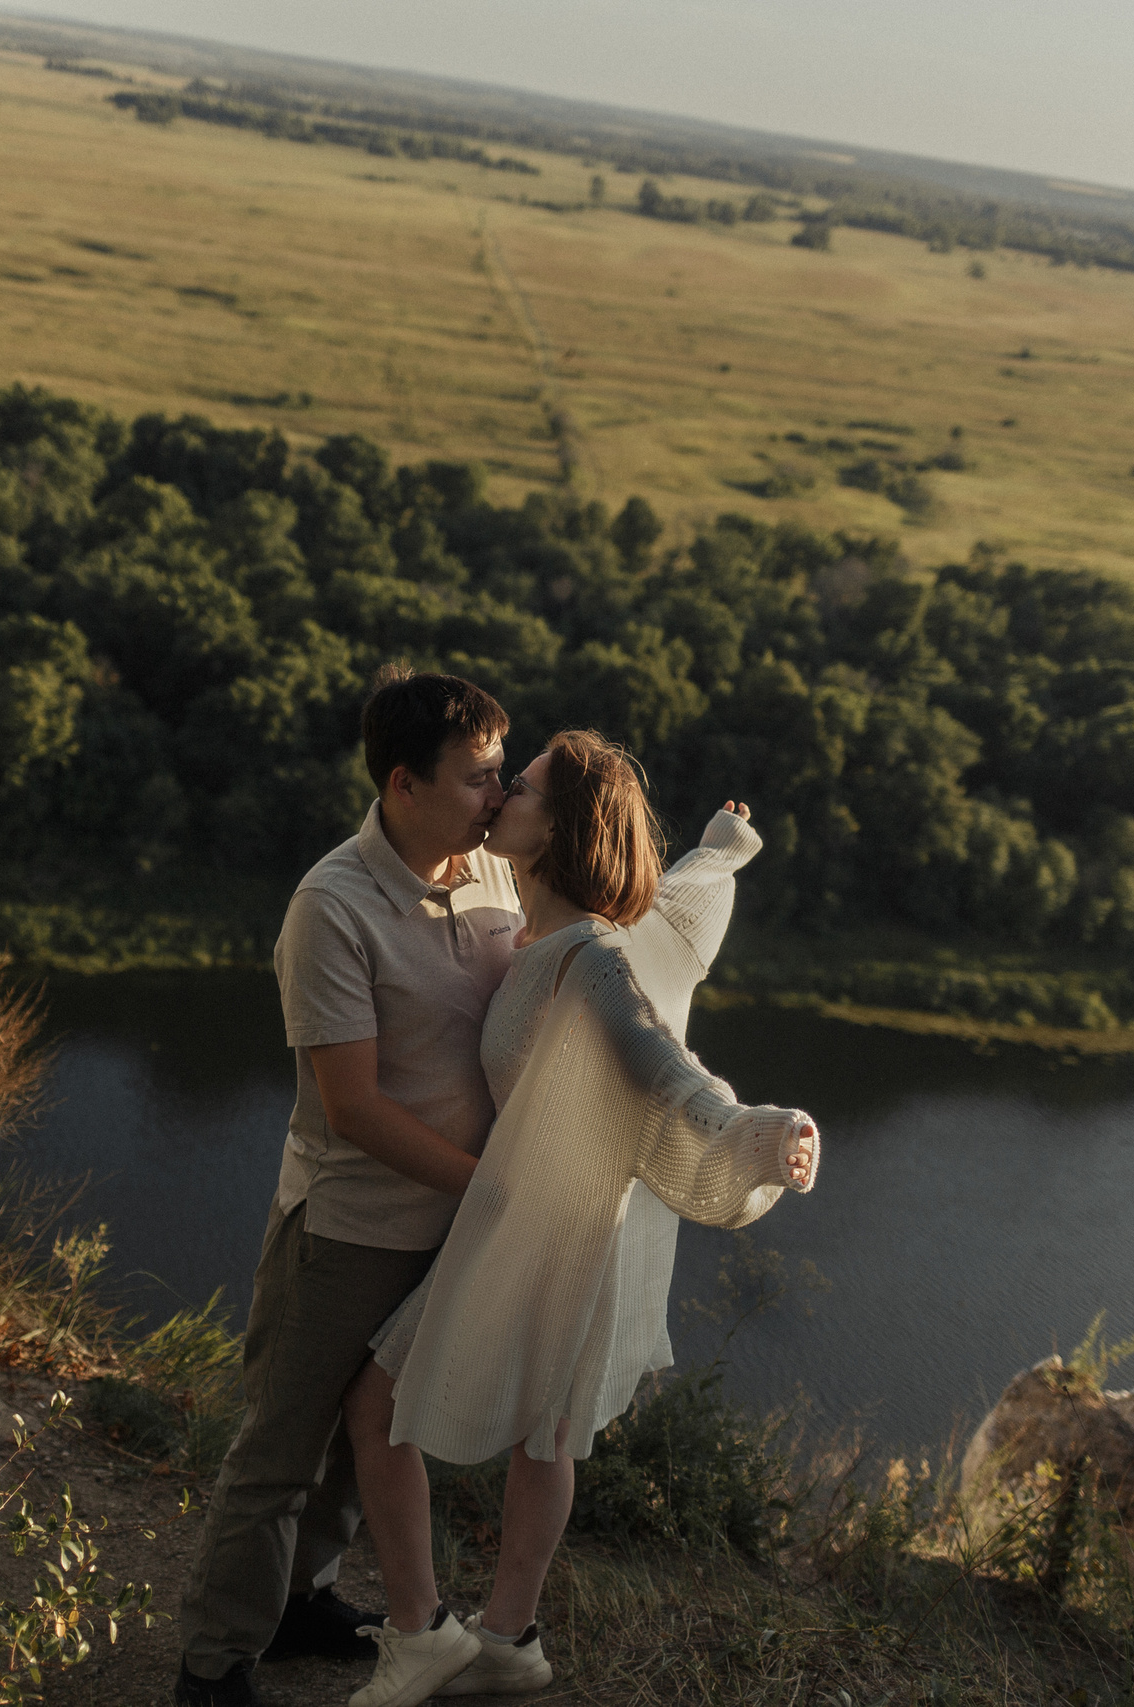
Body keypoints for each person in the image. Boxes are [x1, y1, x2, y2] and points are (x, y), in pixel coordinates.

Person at [338, 731, 821, 1707]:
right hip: (552, 1222)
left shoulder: (589, 957)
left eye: (515, 786)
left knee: (386, 1411)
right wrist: (725, 844)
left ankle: (428, 1630)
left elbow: (664, 1068)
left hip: (555, 1233)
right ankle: (506, 1641)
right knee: (546, 1437)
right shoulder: (569, 927)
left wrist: (756, 1135)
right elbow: (686, 901)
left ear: (555, 827)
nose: (496, 796)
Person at [173, 667, 523, 1707]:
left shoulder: (494, 873)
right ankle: (210, 1664)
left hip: (447, 1225)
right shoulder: (331, 907)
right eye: (477, 778)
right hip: (348, 1228)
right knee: (280, 1450)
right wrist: (491, 1190)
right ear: (404, 784)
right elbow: (352, 1109)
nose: (497, 794)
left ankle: (297, 1606)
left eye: (503, 773)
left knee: (372, 1436)